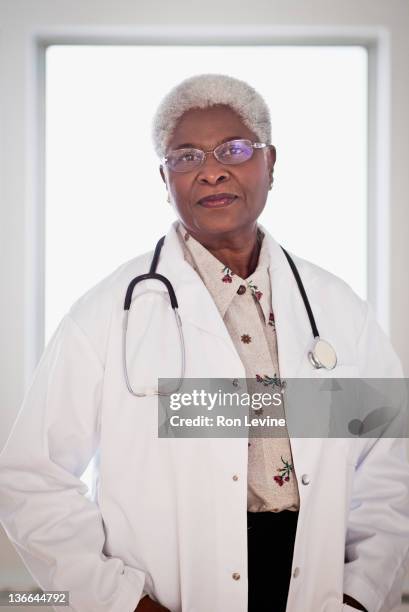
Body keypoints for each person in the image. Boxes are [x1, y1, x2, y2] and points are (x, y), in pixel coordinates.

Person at [0, 73, 408, 612]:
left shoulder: (337, 308)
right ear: (164, 179)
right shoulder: (107, 314)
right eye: (186, 156)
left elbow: (391, 461)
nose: (211, 170)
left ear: (271, 162)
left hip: (313, 585)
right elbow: (33, 477)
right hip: (167, 590)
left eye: (234, 149)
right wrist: (124, 604)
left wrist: (359, 595)